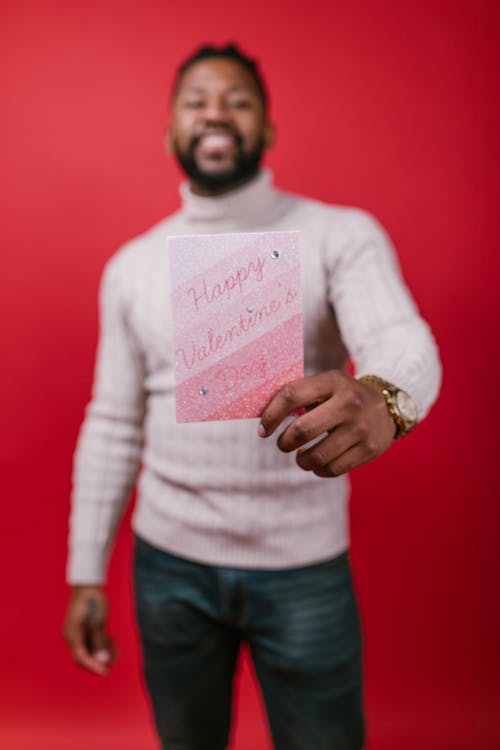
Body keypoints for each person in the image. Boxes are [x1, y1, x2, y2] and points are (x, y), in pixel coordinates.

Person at [63, 43, 441, 750]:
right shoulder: (131, 268)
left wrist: (387, 397)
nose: (215, 112)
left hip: (303, 568)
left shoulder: (340, 235)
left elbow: (401, 337)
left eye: (237, 100)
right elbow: (111, 423)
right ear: (172, 130)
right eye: (196, 100)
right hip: (169, 566)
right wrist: (85, 570)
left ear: (266, 130)